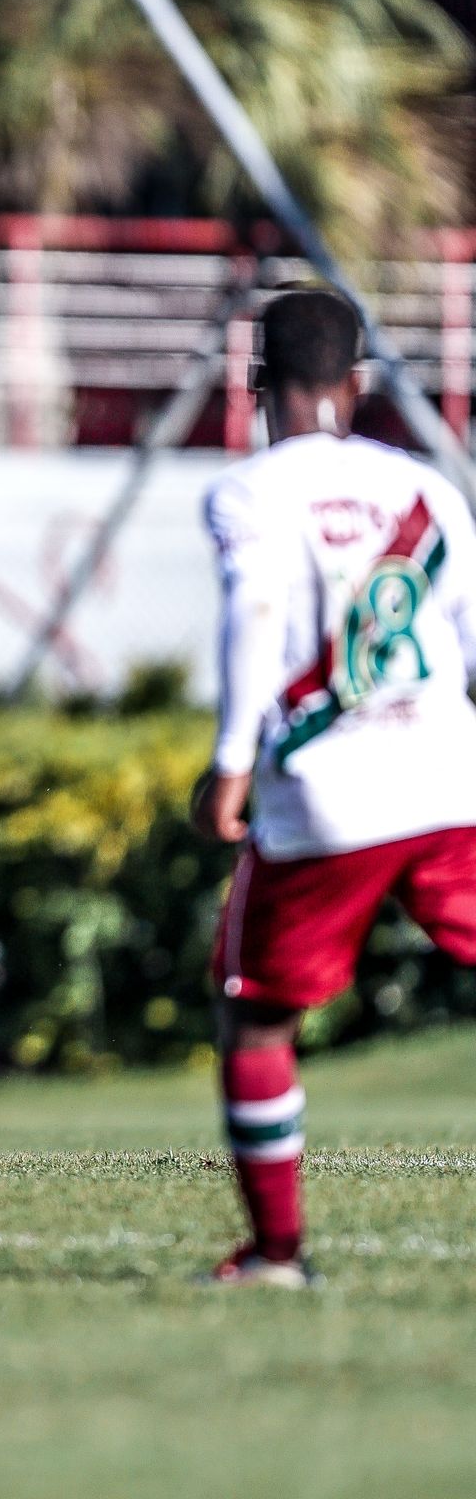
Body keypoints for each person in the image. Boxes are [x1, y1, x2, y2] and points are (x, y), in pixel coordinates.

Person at [193, 286, 476, 1285]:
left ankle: (277, 1253)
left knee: (257, 1018)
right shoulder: (424, 489)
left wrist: (231, 760)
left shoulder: (247, 492)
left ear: (255, 383)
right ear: (357, 382)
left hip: (326, 795)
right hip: (447, 782)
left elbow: (255, 612)